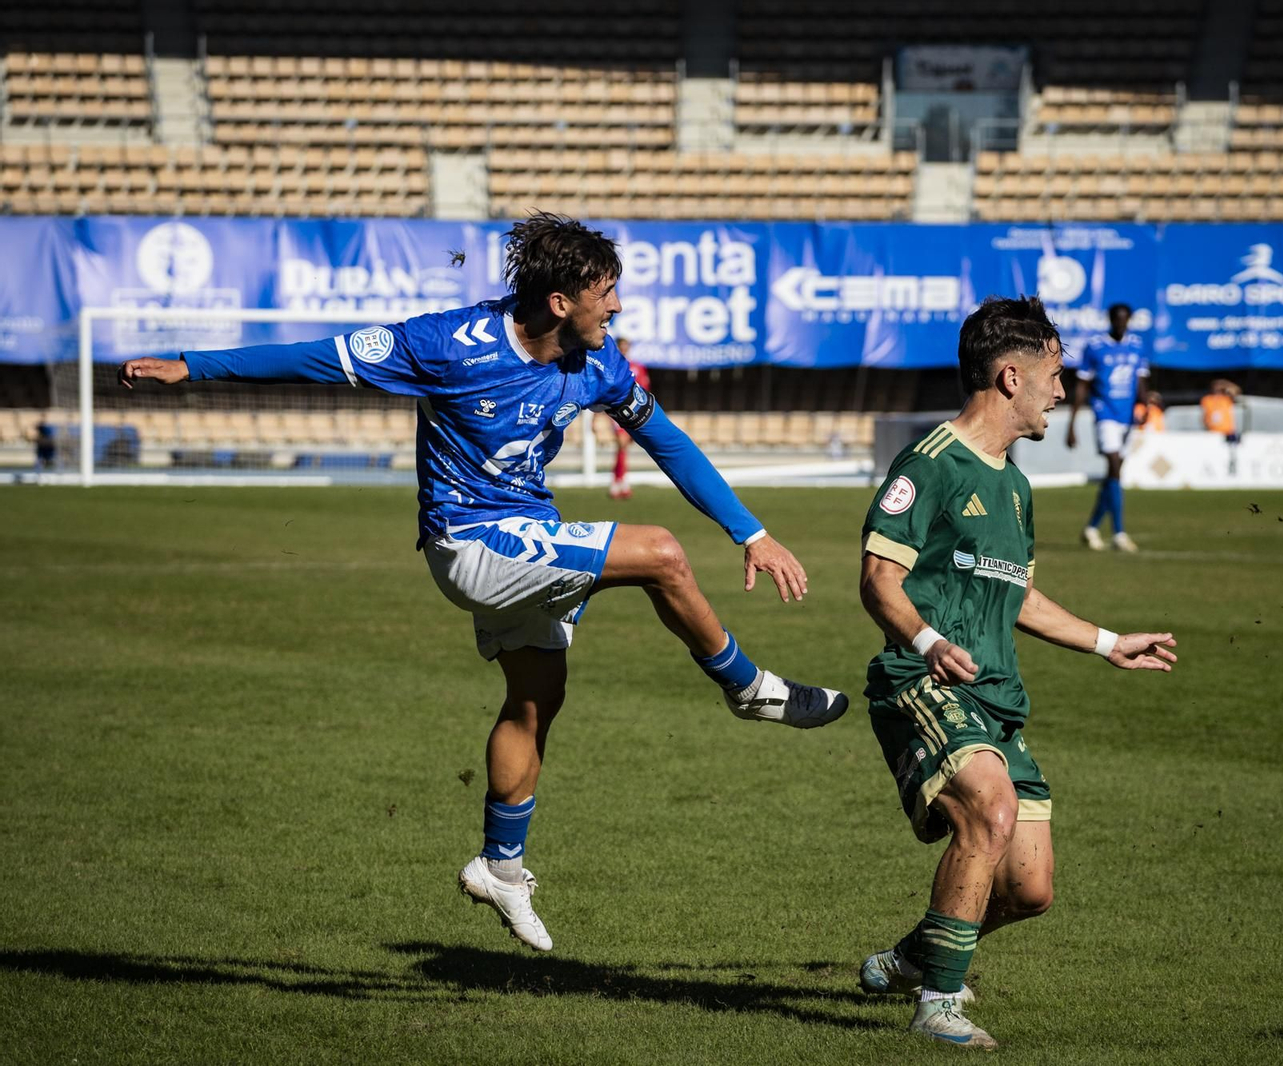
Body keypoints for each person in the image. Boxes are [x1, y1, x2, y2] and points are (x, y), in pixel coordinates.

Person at [117, 212, 847, 954]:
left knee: (535, 700)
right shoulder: (445, 342)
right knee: (660, 551)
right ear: (560, 301)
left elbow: (667, 440)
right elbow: (316, 357)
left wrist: (751, 531)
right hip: (468, 539)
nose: (618, 306)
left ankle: (501, 864)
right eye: (607, 293)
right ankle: (751, 689)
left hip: (523, 532)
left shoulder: (598, 362)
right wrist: (192, 367)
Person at [855, 296, 1178, 1049]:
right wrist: (929, 640)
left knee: (1031, 888)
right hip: (923, 681)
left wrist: (1107, 642)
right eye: (1055, 375)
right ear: (1010, 377)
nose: (1062, 391)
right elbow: (877, 580)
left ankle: (913, 956)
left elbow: (1019, 594)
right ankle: (939, 1004)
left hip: (998, 696)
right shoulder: (930, 464)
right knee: (990, 814)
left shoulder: (1017, 486)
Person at [1065, 302, 1146, 552]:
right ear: (1110, 320)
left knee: (1114, 475)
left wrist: (1147, 403)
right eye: (1116, 319)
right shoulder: (1096, 347)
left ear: (1129, 320)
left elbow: (1141, 380)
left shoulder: (1137, 345)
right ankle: (1119, 533)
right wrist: (1072, 422)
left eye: (1124, 320)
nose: (1121, 324)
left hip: (1127, 417)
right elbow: (1082, 386)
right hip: (1105, 414)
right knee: (1114, 467)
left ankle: (1091, 528)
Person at [604, 336, 649, 498]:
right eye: (621, 346)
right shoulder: (612, 365)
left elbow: (644, 388)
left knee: (623, 448)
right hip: (617, 410)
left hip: (634, 410)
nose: (623, 348)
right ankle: (620, 482)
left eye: (625, 346)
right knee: (622, 445)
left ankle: (617, 480)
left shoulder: (637, 367)